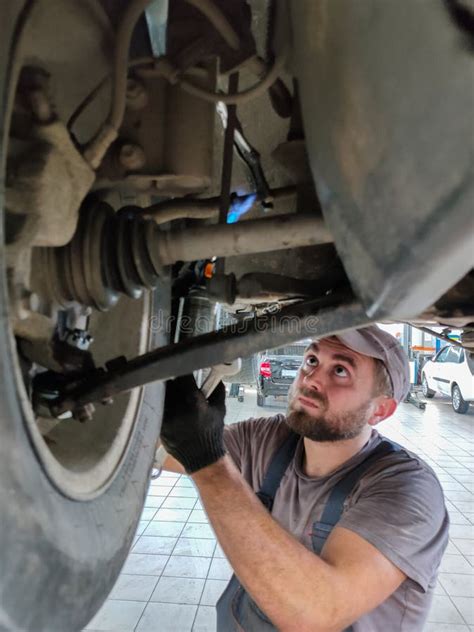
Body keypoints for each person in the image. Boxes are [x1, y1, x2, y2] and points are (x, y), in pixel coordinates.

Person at [160, 326, 449, 631]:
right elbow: (158, 449)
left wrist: (207, 461)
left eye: (340, 370)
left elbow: (317, 613)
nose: (311, 379)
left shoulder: (406, 489)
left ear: (380, 410)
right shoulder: (269, 439)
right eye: (312, 360)